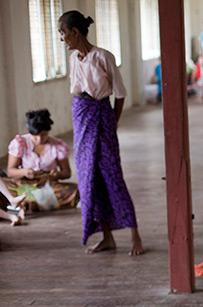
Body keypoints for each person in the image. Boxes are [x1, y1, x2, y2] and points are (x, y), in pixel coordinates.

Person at [58, 10, 144, 255]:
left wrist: (112, 123)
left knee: (112, 175)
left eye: (63, 34)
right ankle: (107, 237)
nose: (63, 39)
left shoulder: (104, 57)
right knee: (88, 180)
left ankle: (135, 235)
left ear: (75, 32)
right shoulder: (74, 59)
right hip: (81, 116)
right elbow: (77, 92)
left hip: (102, 115)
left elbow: (119, 93)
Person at [6, 109, 79, 211]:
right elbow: (10, 171)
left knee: (77, 190)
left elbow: (66, 173)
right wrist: (24, 172)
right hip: (23, 185)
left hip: (47, 186)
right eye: (35, 136)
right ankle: (36, 202)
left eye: (43, 135)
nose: (39, 139)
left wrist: (57, 174)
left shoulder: (57, 146)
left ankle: (29, 203)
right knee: (4, 186)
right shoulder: (20, 143)